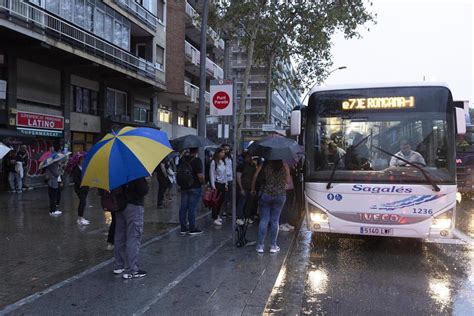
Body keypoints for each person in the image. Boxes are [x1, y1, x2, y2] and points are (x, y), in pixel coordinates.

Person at [251, 160, 290, 254]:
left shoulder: (264, 164)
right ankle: (273, 245)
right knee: (275, 220)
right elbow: (288, 181)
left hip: (266, 194)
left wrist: (253, 188)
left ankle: (260, 246)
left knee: (264, 220)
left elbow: (255, 176)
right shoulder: (284, 165)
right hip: (280, 195)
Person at [114, 177, 149, 279]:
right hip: (134, 205)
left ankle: (119, 265)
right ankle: (131, 269)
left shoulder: (116, 169)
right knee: (133, 236)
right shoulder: (135, 171)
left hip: (120, 205)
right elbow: (142, 190)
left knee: (120, 236)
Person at [178, 147, 204, 235]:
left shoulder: (182, 159)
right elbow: (200, 176)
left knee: (183, 207)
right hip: (195, 186)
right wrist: (203, 183)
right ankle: (192, 228)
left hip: (184, 186)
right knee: (192, 208)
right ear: (196, 151)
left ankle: (183, 228)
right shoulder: (197, 160)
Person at [236, 152, 257, 224]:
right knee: (242, 202)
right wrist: (241, 188)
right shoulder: (241, 165)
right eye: (248, 157)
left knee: (249, 203)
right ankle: (240, 217)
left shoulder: (253, 165)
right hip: (244, 186)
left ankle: (246, 216)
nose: (250, 158)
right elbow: (238, 177)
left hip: (250, 186)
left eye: (250, 157)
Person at [209, 148, 229, 226]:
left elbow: (225, 174)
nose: (223, 154)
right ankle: (215, 217)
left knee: (221, 201)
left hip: (223, 183)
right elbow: (212, 174)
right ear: (218, 153)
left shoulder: (223, 162)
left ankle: (217, 215)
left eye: (224, 152)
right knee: (216, 201)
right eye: (222, 152)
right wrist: (213, 186)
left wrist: (226, 183)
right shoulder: (214, 162)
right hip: (217, 184)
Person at [72, 155, 90, 225]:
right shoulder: (76, 169)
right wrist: (82, 185)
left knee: (84, 202)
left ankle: (81, 217)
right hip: (80, 189)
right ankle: (80, 218)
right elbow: (76, 180)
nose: (83, 161)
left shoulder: (84, 168)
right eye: (82, 160)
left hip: (85, 188)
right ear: (79, 160)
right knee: (82, 202)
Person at [221, 144, 233, 217]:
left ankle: (228, 210)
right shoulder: (221, 158)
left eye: (228, 149)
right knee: (224, 196)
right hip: (223, 179)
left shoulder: (230, 157)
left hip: (230, 178)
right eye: (225, 149)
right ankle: (223, 211)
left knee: (230, 196)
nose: (227, 150)